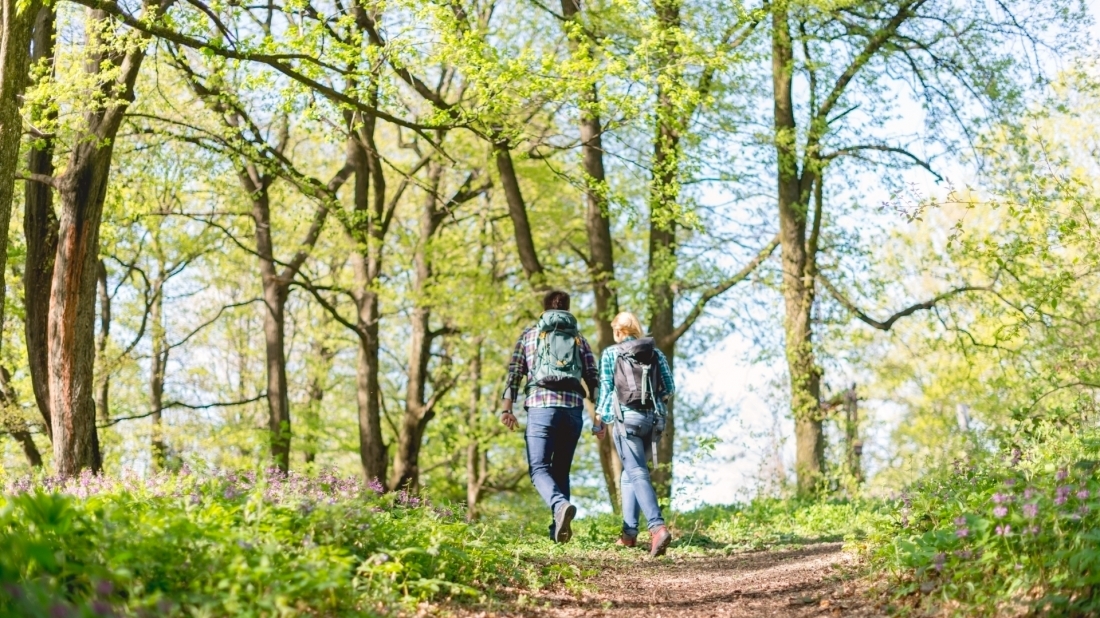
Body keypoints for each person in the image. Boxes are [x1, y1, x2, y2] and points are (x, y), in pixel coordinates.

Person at [501, 290, 601, 543]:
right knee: (561, 470)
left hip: (541, 407)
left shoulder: (530, 335)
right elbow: (593, 377)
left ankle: (558, 507)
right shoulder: (579, 339)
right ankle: (558, 535)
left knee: (538, 468)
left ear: (544, 308)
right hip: (573, 410)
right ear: (568, 309)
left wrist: (507, 409)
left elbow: (514, 374)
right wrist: (598, 418)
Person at [594, 311, 675, 557]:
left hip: (625, 419)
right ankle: (629, 535)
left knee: (636, 471)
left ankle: (657, 527)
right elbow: (669, 388)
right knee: (631, 474)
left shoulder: (611, 353)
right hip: (652, 421)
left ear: (618, 332)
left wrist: (599, 420)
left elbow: (607, 389)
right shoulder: (656, 353)